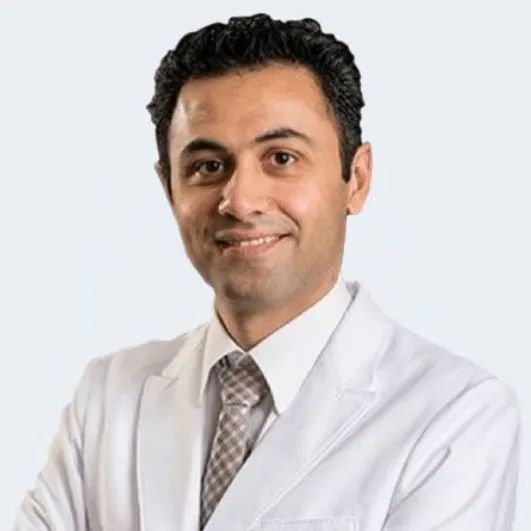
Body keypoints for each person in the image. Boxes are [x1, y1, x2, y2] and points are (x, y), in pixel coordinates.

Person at [13, 13, 520, 531]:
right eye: (208, 167)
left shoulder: (456, 417)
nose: (240, 201)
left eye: (281, 158)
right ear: (170, 190)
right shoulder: (109, 397)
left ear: (356, 178)